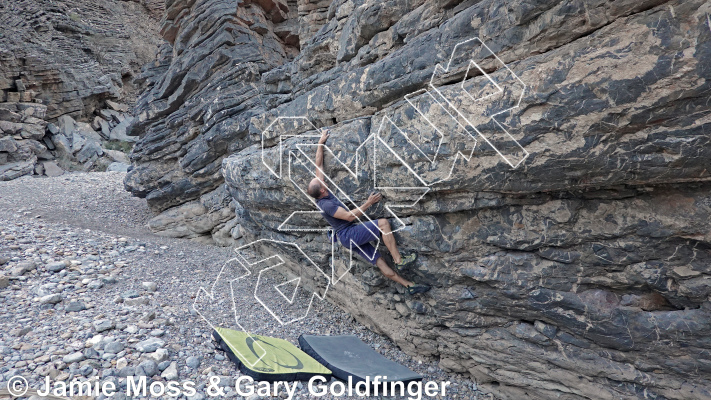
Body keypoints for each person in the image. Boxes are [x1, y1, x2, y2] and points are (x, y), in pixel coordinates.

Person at [307, 129, 431, 295]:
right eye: (321, 182)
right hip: (348, 234)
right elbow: (350, 216)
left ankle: (409, 285)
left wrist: (321, 142)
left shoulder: (320, 189)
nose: (323, 179)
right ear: (321, 191)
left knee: (379, 261)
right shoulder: (326, 205)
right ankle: (399, 260)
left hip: (347, 239)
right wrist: (368, 203)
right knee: (383, 223)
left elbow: (318, 164)